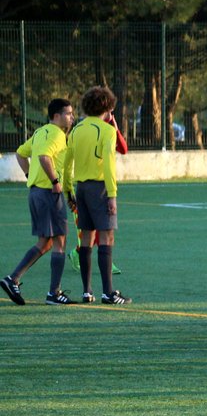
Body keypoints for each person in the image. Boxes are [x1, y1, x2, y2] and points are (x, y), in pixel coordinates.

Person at [1, 99, 77, 306]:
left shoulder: (39, 132)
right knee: (60, 241)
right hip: (48, 192)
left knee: (46, 242)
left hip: (36, 192)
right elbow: (44, 157)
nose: (72, 117)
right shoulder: (56, 134)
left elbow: (20, 153)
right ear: (56, 116)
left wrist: (29, 175)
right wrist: (54, 182)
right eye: (68, 113)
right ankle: (54, 293)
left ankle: (12, 279)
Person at [62, 86, 130, 305]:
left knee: (86, 238)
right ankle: (108, 293)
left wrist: (68, 190)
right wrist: (112, 195)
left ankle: (86, 291)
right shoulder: (107, 131)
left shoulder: (76, 130)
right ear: (108, 108)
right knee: (106, 237)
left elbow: (67, 164)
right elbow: (109, 165)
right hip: (100, 189)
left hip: (80, 189)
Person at [69, 110, 127, 276]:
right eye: (109, 110)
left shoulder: (108, 130)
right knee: (94, 230)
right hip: (89, 185)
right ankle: (80, 254)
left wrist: (116, 128)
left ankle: (93, 258)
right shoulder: (84, 129)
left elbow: (123, 149)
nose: (111, 113)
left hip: (98, 185)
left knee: (100, 230)